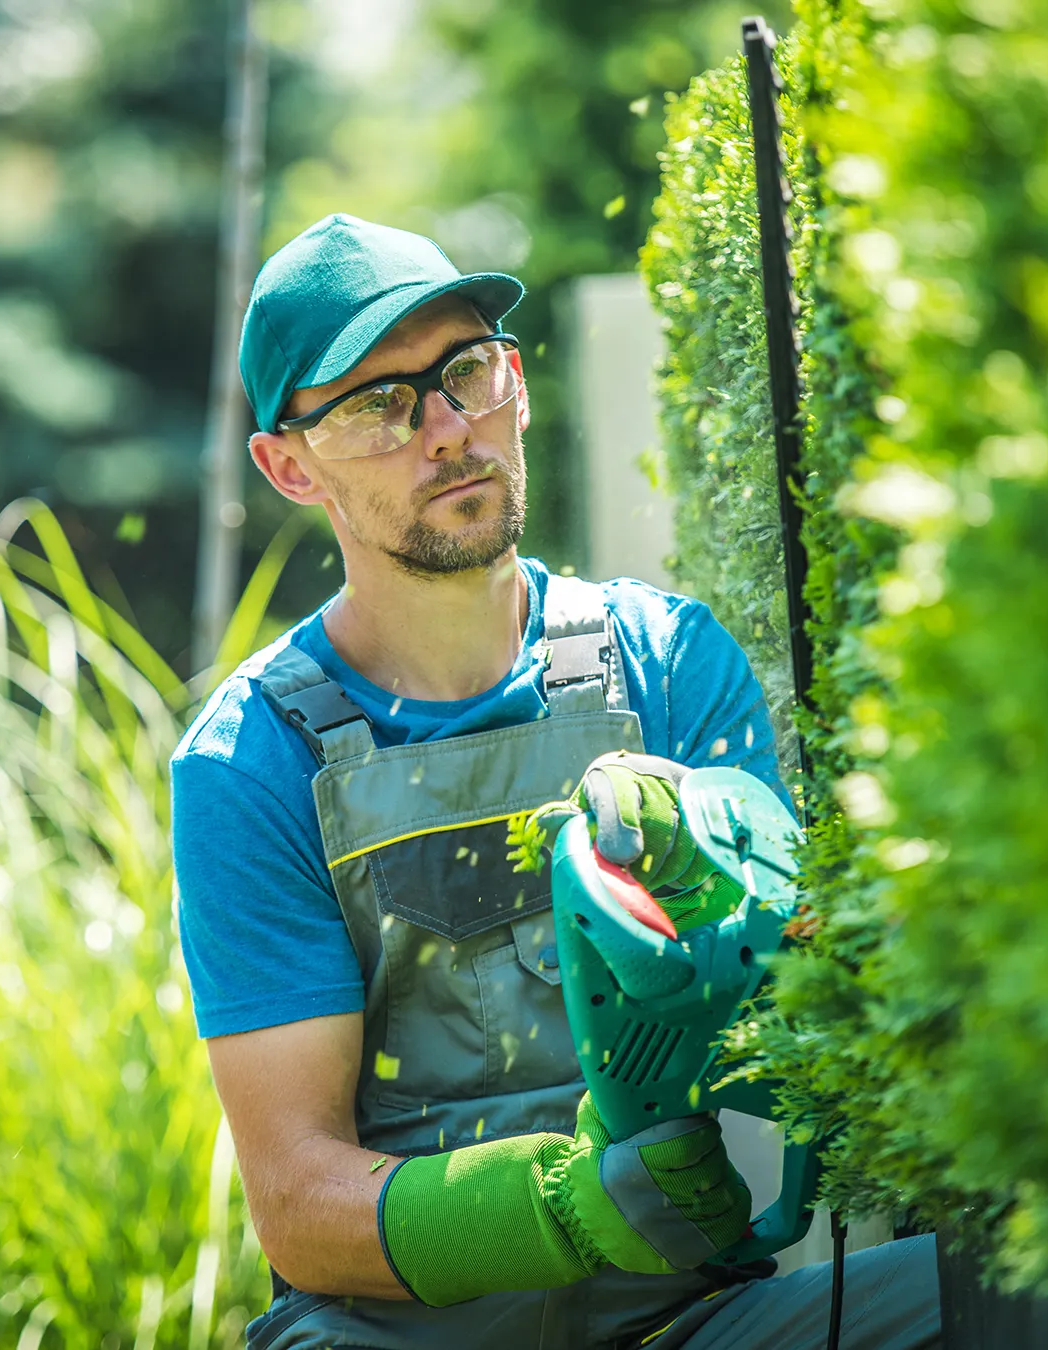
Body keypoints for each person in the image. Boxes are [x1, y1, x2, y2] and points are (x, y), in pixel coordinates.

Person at [169, 213, 940, 1349]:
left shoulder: (666, 660)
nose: (443, 429)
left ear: (514, 385)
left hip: (691, 1320)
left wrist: (724, 866)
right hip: (390, 1343)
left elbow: (797, 1001)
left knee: (1039, 1298)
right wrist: (563, 1211)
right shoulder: (252, 759)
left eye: (462, 373)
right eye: (377, 405)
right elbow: (297, 1209)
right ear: (289, 464)